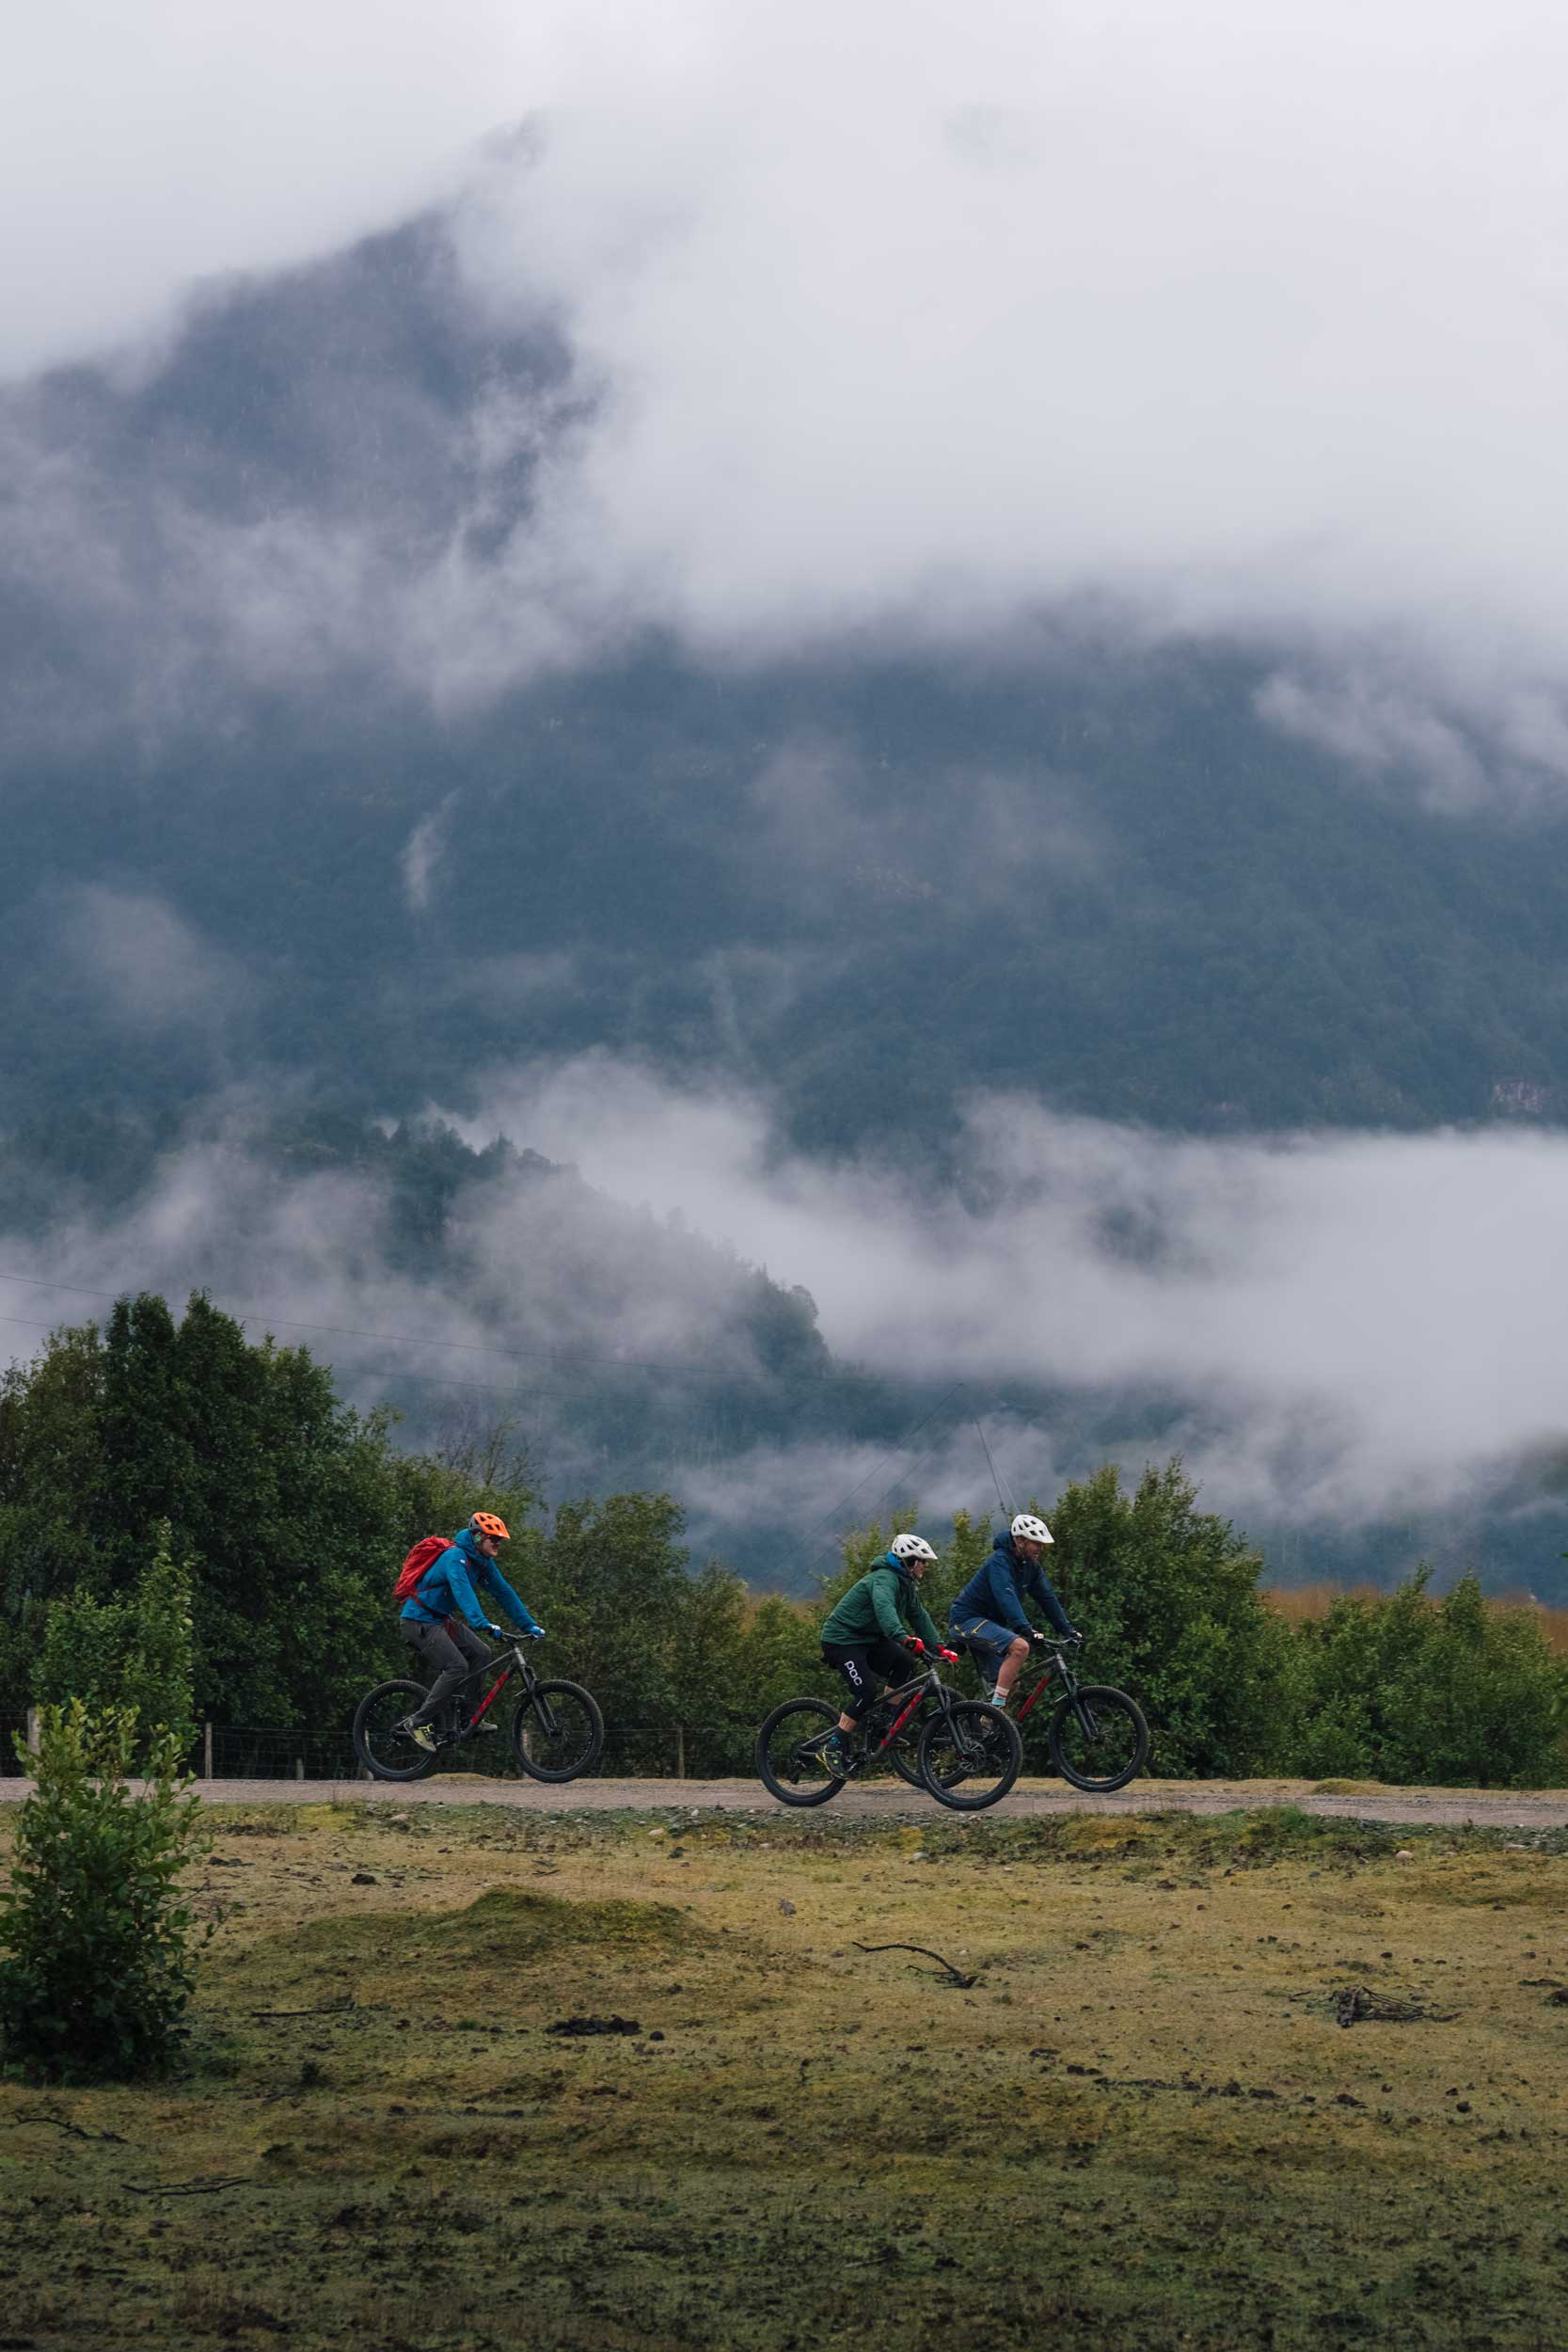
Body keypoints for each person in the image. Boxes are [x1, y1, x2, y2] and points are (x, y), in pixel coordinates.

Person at [817, 1533, 959, 1778]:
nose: (926, 1566)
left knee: (904, 1662)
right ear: (910, 1561)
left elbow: (920, 1617)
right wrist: (903, 1637)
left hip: (868, 1640)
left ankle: (884, 1722)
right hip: (842, 1640)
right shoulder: (884, 1579)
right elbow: (885, 1611)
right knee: (866, 1691)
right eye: (923, 1561)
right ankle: (832, 1747)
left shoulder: (906, 1585)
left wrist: (939, 1647)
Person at [400, 1511, 545, 1751]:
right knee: (457, 1666)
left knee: (481, 1652)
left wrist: (529, 1625)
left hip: (439, 1620)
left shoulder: (483, 1563)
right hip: (419, 1620)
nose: (498, 1543)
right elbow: (461, 1590)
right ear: (477, 1537)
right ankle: (417, 1722)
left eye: (500, 1539)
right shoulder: (455, 1557)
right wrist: (482, 1622)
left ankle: (471, 1719)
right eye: (493, 1539)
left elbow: (504, 1593)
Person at [947, 1512, 1079, 1709]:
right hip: (966, 1620)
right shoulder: (1000, 1561)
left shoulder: (1031, 1567)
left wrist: (1068, 1630)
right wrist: (1026, 1629)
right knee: (1021, 1647)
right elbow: (1005, 1595)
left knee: (1012, 1683)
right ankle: (997, 1713)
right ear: (1019, 1540)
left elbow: (1048, 1599)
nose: (1040, 1548)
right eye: (1036, 1543)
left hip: (989, 1625)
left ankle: (986, 1726)